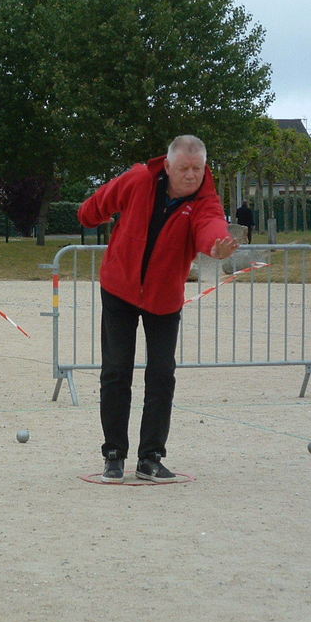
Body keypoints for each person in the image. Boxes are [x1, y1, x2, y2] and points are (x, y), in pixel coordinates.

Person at [77, 135, 240, 483]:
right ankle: (114, 454)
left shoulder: (205, 201)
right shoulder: (138, 179)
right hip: (119, 288)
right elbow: (99, 203)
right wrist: (89, 215)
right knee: (116, 371)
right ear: (167, 166)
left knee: (162, 374)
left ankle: (150, 456)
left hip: (164, 297)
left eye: (198, 168)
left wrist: (216, 247)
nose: (191, 175)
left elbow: (210, 228)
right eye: (184, 168)